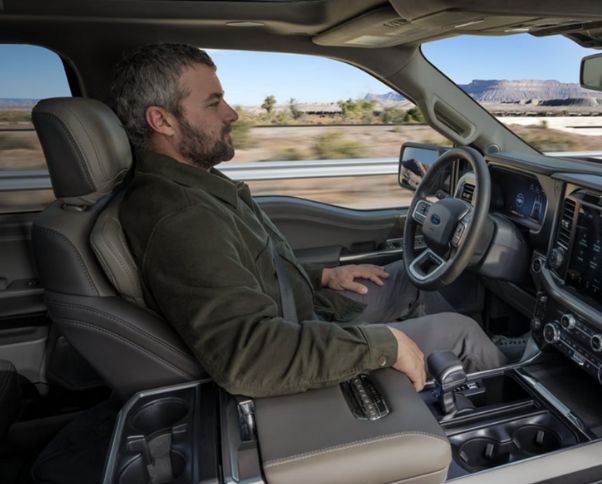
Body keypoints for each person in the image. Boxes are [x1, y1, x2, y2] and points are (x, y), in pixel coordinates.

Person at [111, 43, 507, 398]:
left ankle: (437, 385)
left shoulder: (190, 182)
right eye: (213, 104)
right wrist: (384, 346)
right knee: (463, 333)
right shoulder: (182, 217)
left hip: (303, 314)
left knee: (407, 277)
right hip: (292, 343)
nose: (231, 114)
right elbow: (249, 357)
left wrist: (321, 277)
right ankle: (508, 422)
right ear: (161, 121)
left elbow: (245, 269)